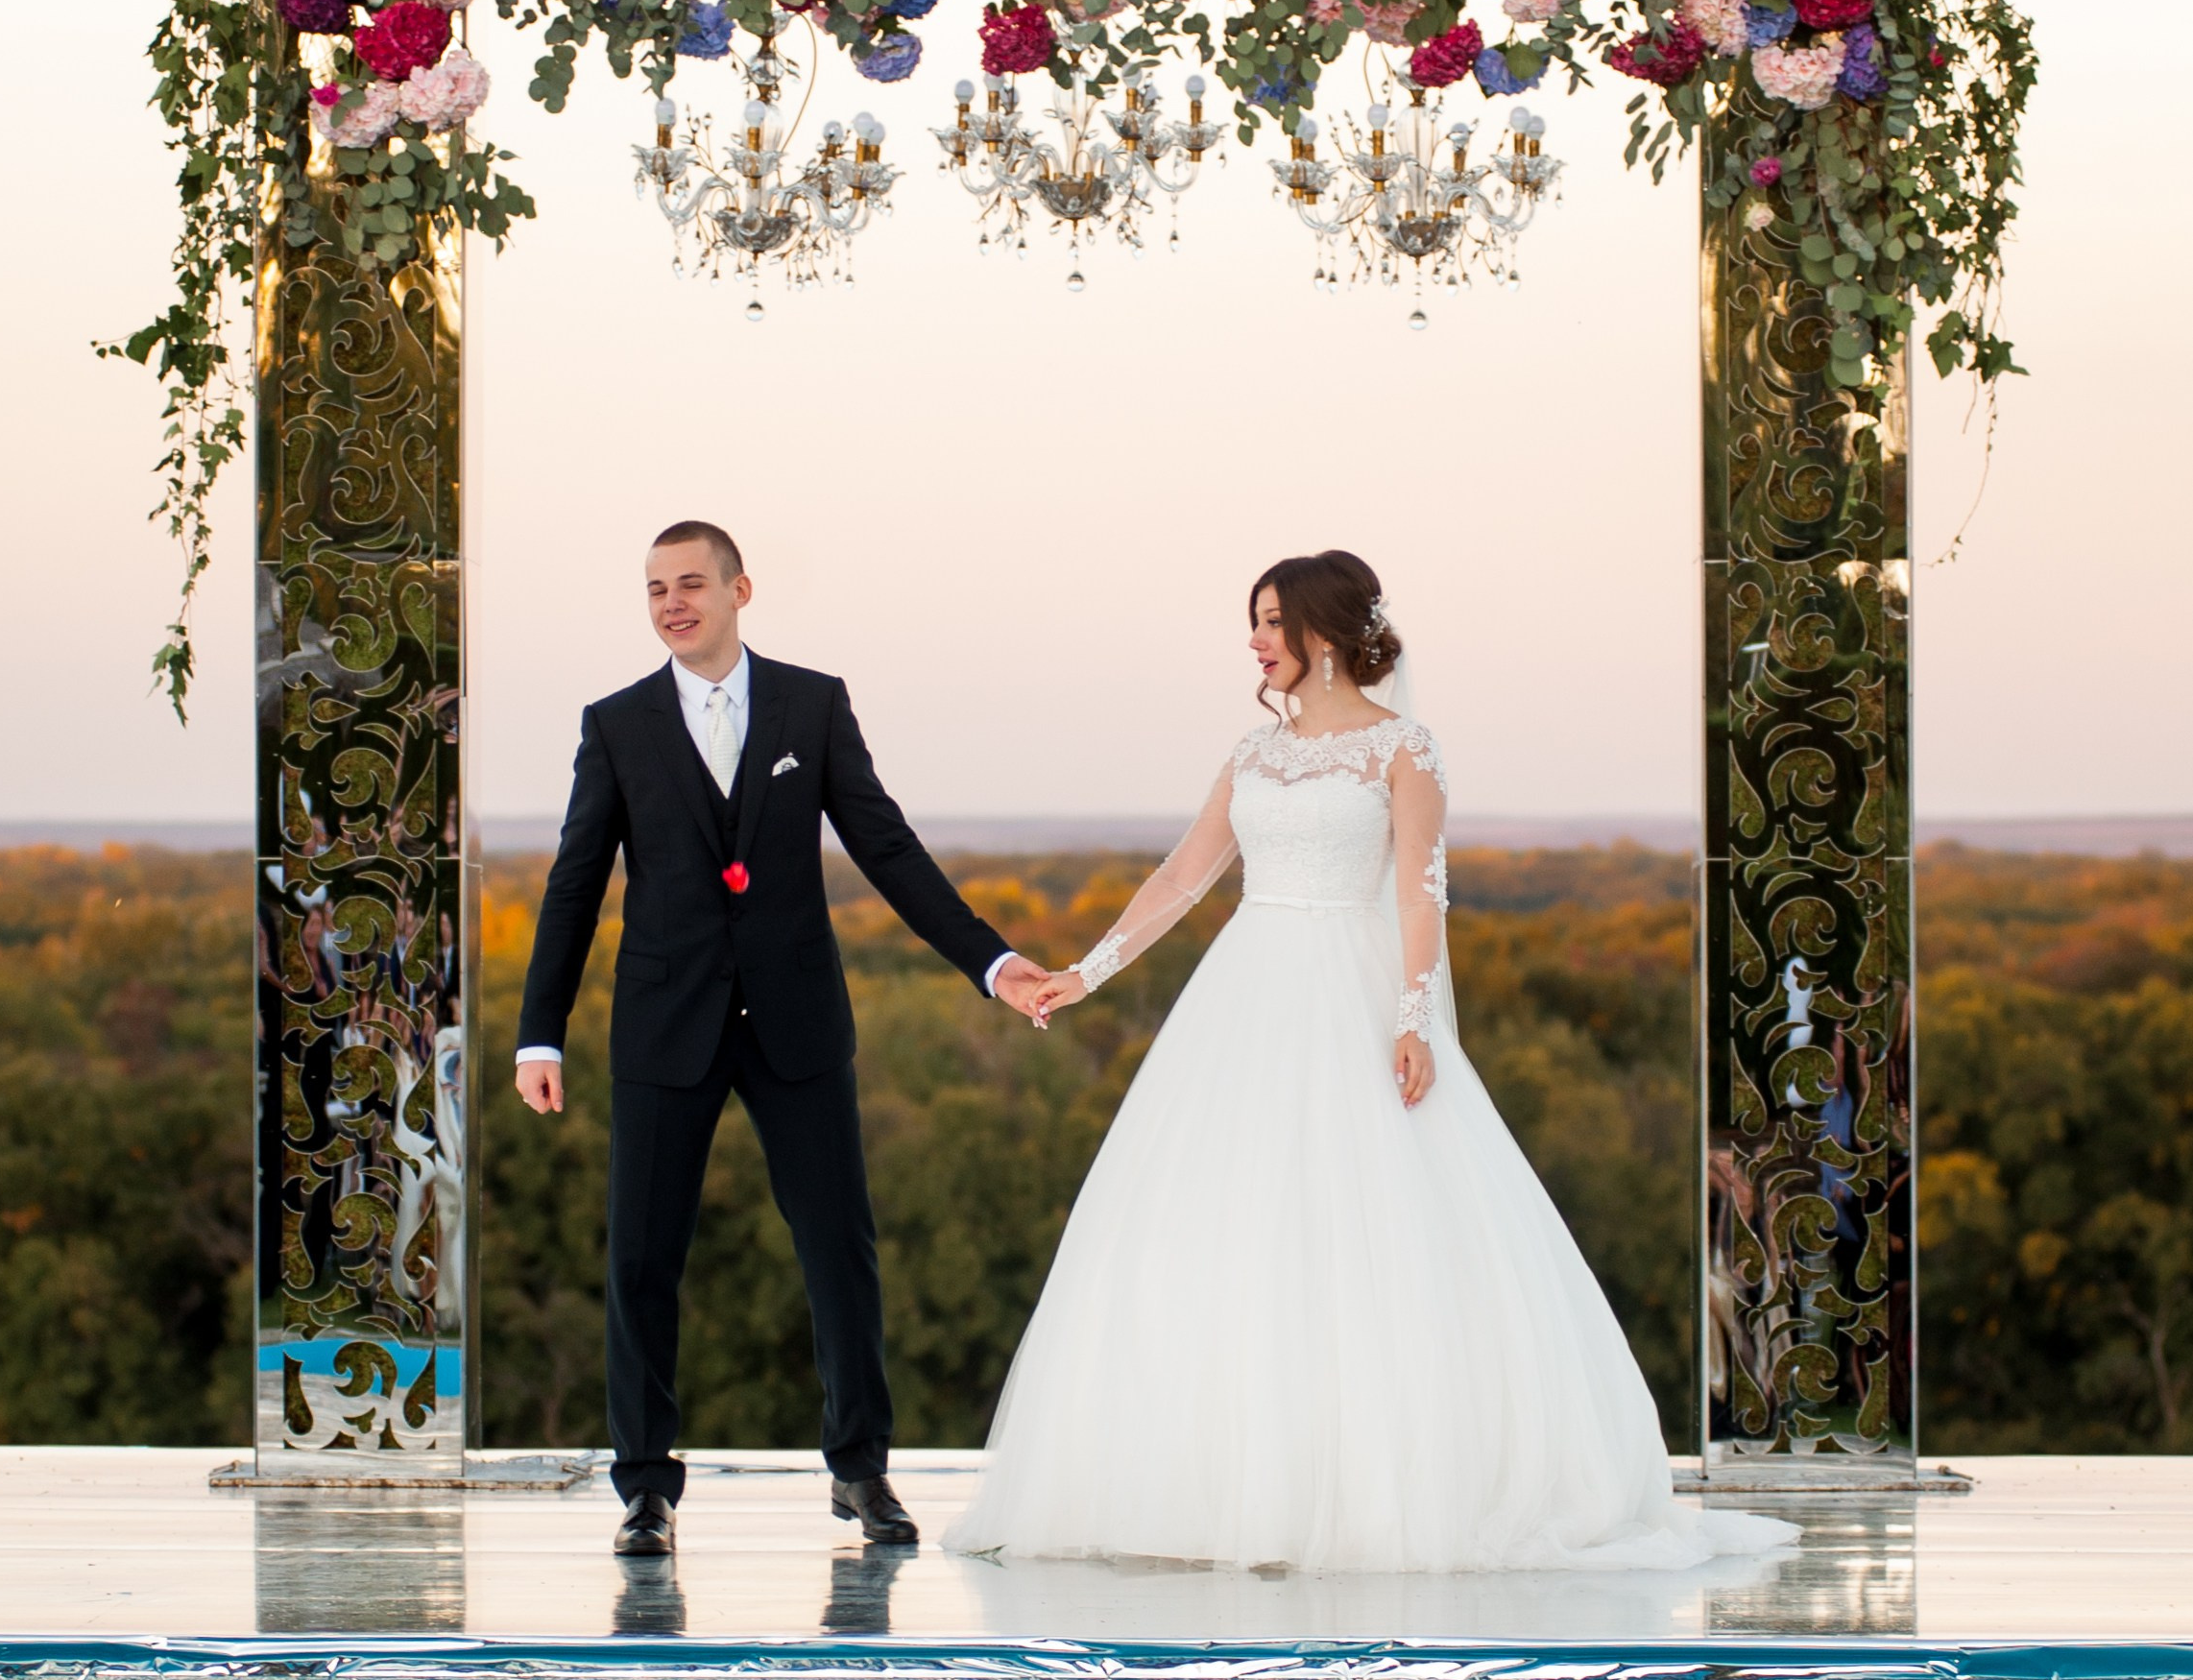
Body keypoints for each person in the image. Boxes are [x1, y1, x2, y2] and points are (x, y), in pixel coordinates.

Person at [949, 549, 1798, 1579]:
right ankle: (1205, 1485)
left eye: (1271, 620)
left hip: (1351, 988)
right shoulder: (1250, 756)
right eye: (1253, 620)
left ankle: (1370, 1487)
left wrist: (1410, 1017)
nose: (1256, 639)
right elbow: (1182, 874)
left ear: (1324, 632)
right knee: (1217, 1225)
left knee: (1370, 1226)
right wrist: (1087, 970)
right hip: (1246, 993)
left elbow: (1417, 893)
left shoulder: (1405, 749)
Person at [515, 524, 1057, 1558]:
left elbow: (886, 844)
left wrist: (993, 963)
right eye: (654, 590)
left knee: (837, 1248)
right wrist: (542, 1032)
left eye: (689, 584)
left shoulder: (813, 702)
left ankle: (860, 1471)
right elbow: (574, 886)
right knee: (641, 1258)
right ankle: (645, 1489)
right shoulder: (617, 723)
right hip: (663, 1024)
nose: (672, 603)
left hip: (797, 1018)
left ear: (738, 589)